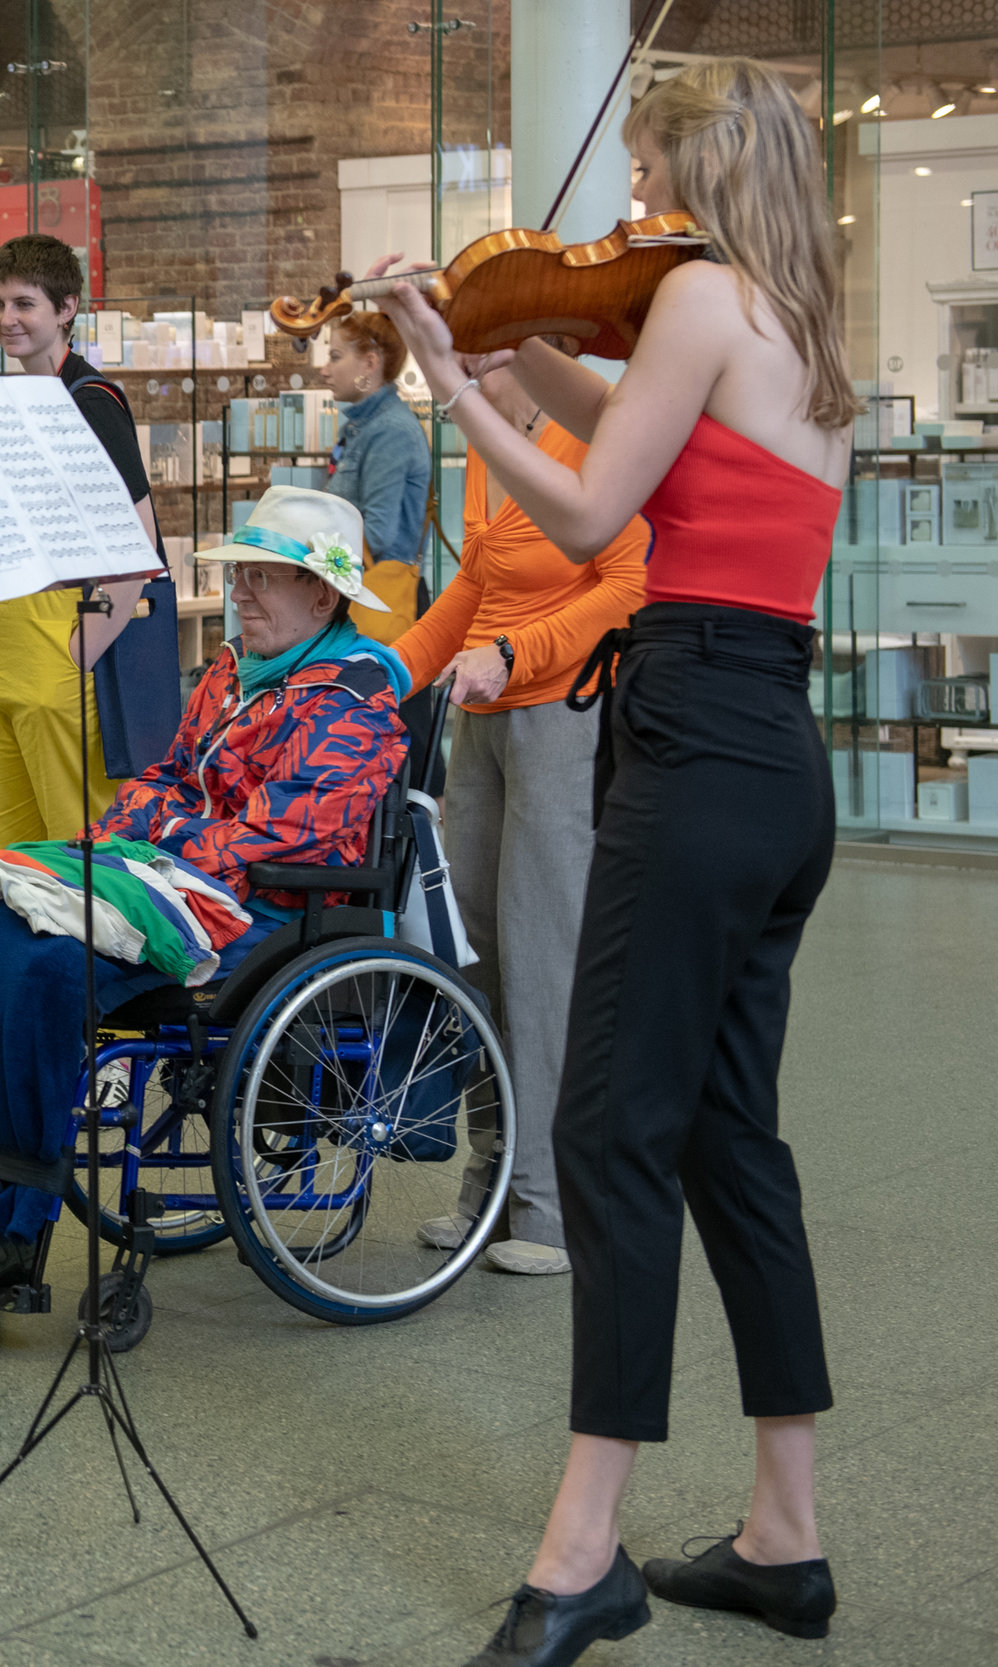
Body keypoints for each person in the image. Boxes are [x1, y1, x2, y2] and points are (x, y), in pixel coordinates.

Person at [372, 58, 853, 1666]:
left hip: (698, 740)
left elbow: (587, 522)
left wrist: (450, 377)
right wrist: (521, 360)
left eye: (653, 173)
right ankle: (785, 1530)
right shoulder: (790, 317)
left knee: (609, 1126)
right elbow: (644, 442)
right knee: (729, 1134)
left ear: (706, 176)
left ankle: (584, 1552)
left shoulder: (703, 295)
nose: (636, 208)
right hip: (775, 753)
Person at [0, 486, 407, 1296]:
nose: (239, 590)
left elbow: (287, 836)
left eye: (261, 576)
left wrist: (164, 839)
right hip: (174, 885)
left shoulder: (355, 699)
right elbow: (166, 776)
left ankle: (1, 1225)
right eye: (238, 572)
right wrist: (144, 833)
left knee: (40, 975)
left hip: (260, 914)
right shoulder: (234, 671)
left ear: (322, 592)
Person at [387, 362, 647, 1278]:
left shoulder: (595, 432)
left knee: (545, 957)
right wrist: (389, 673)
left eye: (467, 354)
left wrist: (514, 650)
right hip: (485, 716)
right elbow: (473, 586)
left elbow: (627, 584)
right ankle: (492, 1191)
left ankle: (555, 1206)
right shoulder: (482, 446)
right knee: (478, 957)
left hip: (565, 711)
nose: (451, 371)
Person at [0, 234, 178, 851]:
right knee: (9, 858)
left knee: (84, 855)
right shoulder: (16, 398)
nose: (7, 319)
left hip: (59, 658)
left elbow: (140, 550)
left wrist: (80, 651)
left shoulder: (92, 402)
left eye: (25, 304)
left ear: (67, 308)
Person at [319, 309, 430, 634]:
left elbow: (377, 535)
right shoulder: (363, 427)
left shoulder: (389, 431)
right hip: (356, 595)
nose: (325, 370)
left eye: (336, 357)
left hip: (372, 599)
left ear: (370, 363)